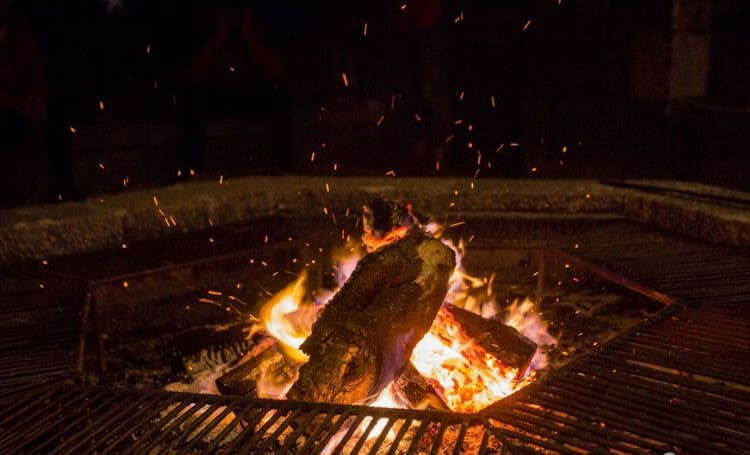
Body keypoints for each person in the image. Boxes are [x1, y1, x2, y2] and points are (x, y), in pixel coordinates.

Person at [178, 1, 291, 176]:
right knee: (190, 100)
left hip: (251, 96)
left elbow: (278, 71)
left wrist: (250, 38)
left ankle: (283, 166)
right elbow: (195, 75)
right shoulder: (206, 24)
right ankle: (190, 170)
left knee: (280, 95)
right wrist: (218, 40)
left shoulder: (260, 23)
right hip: (218, 98)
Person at [0, 0, 49, 206]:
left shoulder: (22, 37)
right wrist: (17, 104)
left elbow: (36, 76)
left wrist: (35, 100)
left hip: (17, 122)